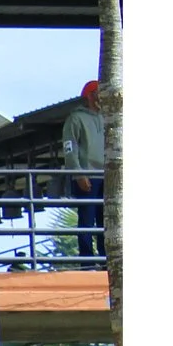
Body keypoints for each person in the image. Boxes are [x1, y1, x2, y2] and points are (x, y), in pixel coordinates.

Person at [58, 78, 107, 261]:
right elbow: (70, 148)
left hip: (107, 176)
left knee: (107, 221)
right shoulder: (76, 119)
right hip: (87, 176)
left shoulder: (109, 117)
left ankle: (106, 260)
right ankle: (87, 260)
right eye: (99, 92)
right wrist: (78, 173)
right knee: (87, 219)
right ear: (90, 96)